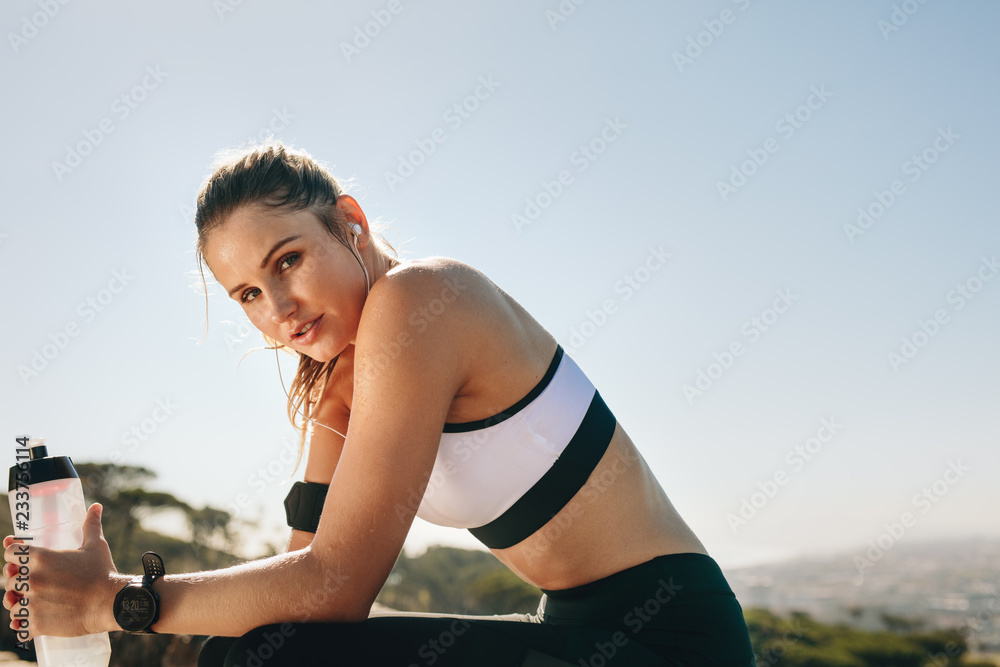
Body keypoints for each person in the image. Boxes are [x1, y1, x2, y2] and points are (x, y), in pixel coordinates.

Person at [4, 142, 757, 666]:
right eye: (249, 295)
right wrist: (99, 594)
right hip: (570, 633)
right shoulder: (338, 382)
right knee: (248, 650)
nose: (280, 310)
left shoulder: (423, 296)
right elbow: (298, 589)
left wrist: (117, 600)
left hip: (671, 640)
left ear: (350, 220)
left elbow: (335, 588)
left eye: (288, 260)